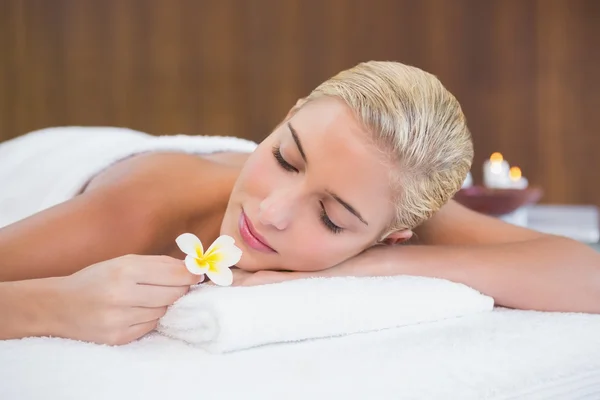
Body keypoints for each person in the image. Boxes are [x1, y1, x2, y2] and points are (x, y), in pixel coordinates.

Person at [1, 61, 598, 346]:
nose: (272, 212)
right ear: (285, 119)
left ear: (393, 234)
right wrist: (53, 306)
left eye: (333, 219)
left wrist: (371, 268)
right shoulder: (143, 209)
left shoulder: (387, 193)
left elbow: (586, 275)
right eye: (287, 157)